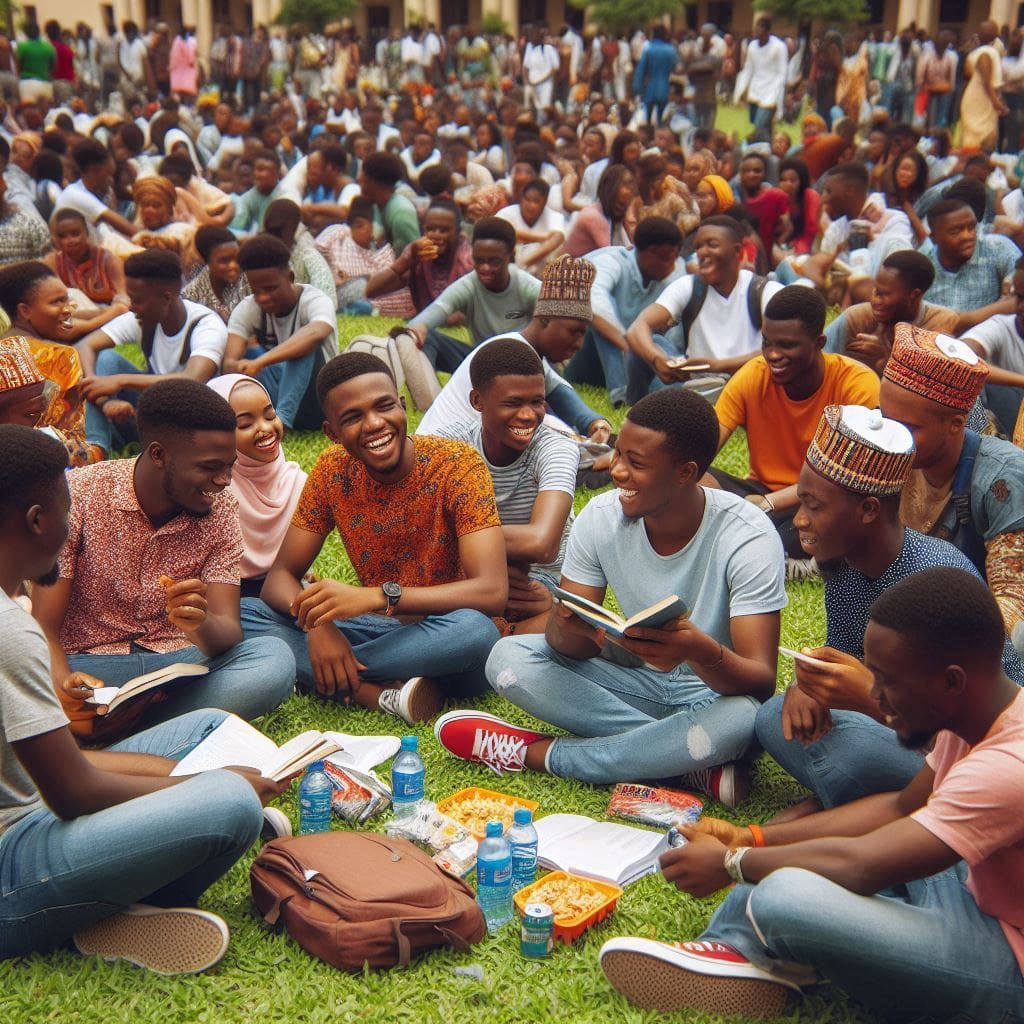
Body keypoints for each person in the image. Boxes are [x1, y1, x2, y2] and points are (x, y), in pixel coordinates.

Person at [602, 566, 1024, 1021]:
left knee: (780, 894)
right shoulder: (975, 719)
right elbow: (900, 806)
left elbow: (862, 865)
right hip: (971, 889)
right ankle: (745, 951)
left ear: (952, 680)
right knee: (777, 877)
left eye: (888, 680)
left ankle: (756, 946)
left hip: (1008, 965)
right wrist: (751, 839)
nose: (876, 696)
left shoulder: (1006, 766)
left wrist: (731, 863)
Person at [0, 424, 294, 973]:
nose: (69, 527)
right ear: (39, 521)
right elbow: (71, 791)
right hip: (12, 854)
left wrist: (166, 774)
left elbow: (53, 768)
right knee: (229, 802)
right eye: (64, 514)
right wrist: (207, 784)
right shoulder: (12, 632)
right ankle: (93, 912)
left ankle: (119, 888)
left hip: (44, 779)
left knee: (206, 724)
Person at [434, 388, 786, 807]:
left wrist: (698, 649)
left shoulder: (747, 535)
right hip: (633, 679)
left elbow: (761, 682)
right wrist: (564, 627)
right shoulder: (601, 517)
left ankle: (539, 754)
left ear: (685, 472)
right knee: (507, 659)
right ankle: (687, 761)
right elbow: (571, 647)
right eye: (618, 454)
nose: (616, 471)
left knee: (746, 720)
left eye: (635, 464)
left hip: (712, 695)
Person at [753, 403, 1024, 815]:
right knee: (774, 717)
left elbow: (975, 730)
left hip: (976, 755)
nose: (800, 522)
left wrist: (867, 699)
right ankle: (866, 802)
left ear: (868, 511)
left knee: (854, 751)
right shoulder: (844, 568)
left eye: (814, 506)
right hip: (894, 732)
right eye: (800, 504)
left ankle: (857, 807)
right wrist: (809, 687)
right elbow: (843, 655)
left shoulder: (936, 580)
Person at [240, 351, 505, 725]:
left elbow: (492, 592)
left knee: (477, 631)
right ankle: (380, 688)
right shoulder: (332, 470)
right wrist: (317, 626)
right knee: (247, 613)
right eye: (352, 418)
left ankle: (337, 676)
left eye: (384, 407)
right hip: (385, 631)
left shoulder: (457, 464)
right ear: (332, 432)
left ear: (402, 407)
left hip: (450, 637)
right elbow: (279, 578)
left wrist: (377, 596)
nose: (375, 424)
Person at [30, 380, 295, 743]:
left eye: (230, 465)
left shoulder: (222, 510)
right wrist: (63, 688)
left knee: (273, 660)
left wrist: (199, 623)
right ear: (159, 455)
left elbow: (228, 634)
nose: (224, 481)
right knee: (14, 673)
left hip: (178, 665)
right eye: (209, 467)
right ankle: (157, 728)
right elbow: (44, 627)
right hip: (90, 666)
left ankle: (120, 730)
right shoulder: (81, 495)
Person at [708, 287, 879, 565]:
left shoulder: (856, 384)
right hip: (759, 491)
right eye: (766, 343)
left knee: (821, 530)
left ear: (819, 342)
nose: (772, 355)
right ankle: (761, 545)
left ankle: (766, 549)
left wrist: (768, 504)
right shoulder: (754, 374)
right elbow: (706, 445)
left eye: (787, 345)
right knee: (694, 479)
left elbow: (841, 478)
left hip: (820, 500)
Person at [881, 323, 1024, 639]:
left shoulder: (1002, 478)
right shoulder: (886, 448)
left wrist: (928, 650)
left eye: (908, 426)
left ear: (956, 423)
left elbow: (1013, 602)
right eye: (884, 418)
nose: (893, 434)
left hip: (976, 637)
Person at [432, 338, 578, 634]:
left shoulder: (556, 448)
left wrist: (459, 538)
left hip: (535, 583)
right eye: (513, 402)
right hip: (470, 575)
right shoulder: (449, 446)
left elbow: (542, 544)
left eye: (537, 401)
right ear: (477, 401)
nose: (528, 415)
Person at [416, 254, 612, 447]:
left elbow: (560, 393)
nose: (579, 343)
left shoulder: (523, 351)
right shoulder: (507, 354)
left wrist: (595, 423)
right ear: (545, 320)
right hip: (444, 457)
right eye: (574, 332)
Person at [77, 250, 226, 459]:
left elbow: (193, 379)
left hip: (190, 425)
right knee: (108, 357)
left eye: (137, 300)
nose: (131, 306)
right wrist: (104, 398)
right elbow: (86, 345)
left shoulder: (206, 325)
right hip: (150, 414)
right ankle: (96, 448)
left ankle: (112, 438)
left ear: (166, 297)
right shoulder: (142, 317)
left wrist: (119, 381)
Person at [626, 216, 783, 403]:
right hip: (695, 382)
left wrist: (719, 366)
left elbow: (780, 350)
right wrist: (658, 359)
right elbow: (637, 327)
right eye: (698, 246)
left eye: (712, 244)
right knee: (650, 342)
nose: (702, 252)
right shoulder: (688, 286)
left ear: (738, 252)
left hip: (747, 380)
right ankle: (637, 407)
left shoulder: (764, 291)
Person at [564, 217, 685, 407]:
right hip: (586, 359)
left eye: (675, 258)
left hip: (636, 365)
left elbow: (673, 334)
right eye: (665, 258)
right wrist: (635, 345)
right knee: (601, 319)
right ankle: (619, 394)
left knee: (658, 340)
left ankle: (682, 390)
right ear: (646, 252)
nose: (671, 266)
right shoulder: (612, 261)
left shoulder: (675, 274)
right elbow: (594, 305)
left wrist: (657, 356)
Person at [224, 235, 338, 432]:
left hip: (320, 402)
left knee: (304, 347)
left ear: (290, 278)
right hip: (272, 399)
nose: (263, 297)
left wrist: (261, 361)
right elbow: (229, 362)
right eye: (256, 290)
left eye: (270, 288)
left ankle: (281, 422)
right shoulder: (248, 308)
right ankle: (253, 418)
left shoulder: (315, 300)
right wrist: (239, 366)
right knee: (247, 355)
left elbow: (316, 333)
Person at [402, 217, 540, 378]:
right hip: (482, 364)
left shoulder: (529, 287)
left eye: (494, 261)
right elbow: (428, 317)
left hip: (525, 365)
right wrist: (417, 330)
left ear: (510, 256)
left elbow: (554, 328)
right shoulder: (468, 285)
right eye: (479, 260)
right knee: (423, 338)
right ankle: (431, 398)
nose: (485, 268)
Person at [207, 374, 306, 599]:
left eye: (270, 416)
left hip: (288, 591)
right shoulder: (212, 492)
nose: (265, 428)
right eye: (245, 424)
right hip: (230, 601)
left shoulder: (296, 482)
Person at [824, 250, 959, 374]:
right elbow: (819, 357)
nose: (875, 301)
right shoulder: (858, 317)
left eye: (884, 294)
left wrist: (886, 358)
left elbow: (930, 387)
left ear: (914, 295)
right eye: (876, 291)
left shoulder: (939, 323)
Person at [923, 198, 1018, 317]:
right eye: (956, 231)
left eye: (972, 227)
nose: (967, 236)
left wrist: (969, 320)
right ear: (934, 238)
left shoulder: (996, 248)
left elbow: (1019, 298)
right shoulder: (922, 267)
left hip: (987, 332)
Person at [962, 256, 1024, 436]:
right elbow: (962, 359)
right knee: (969, 380)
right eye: (1018, 297)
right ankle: (984, 444)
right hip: (1012, 423)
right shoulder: (1003, 326)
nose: (1020, 307)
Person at [44, 209, 128, 331]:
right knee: (70, 295)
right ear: (55, 239)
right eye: (63, 236)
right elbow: (53, 303)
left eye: (75, 233)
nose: (70, 240)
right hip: (75, 314)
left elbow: (124, 300)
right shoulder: (52, 262)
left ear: (87, 233)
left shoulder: (108, 259)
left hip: (111, 314)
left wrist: (105, 314)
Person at [55, 139, 137, 243]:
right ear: (94, 172)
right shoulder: (75, 195)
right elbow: (131, 230)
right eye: (108, 175)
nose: (111, 180)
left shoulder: (105, 192)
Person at [733, 17, 789, 142]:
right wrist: (740, 90)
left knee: (759, 125)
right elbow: (748, 69)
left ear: (768, 31)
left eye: (760, 30)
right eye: (756, 30)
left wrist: (778, 93)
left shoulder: (779, 47)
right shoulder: (752, 46)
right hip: (755, 89)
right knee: (755, 121)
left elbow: (782, 73)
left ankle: (758, 147)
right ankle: (768, 144)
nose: (757, 33)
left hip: (771, 91)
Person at [562, 164, 636, 257]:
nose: (621, 209)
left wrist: (628, 223)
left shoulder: (614, 217)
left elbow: (638, 248)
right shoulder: (594, 216)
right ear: (608, 193)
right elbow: (611, 257)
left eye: (625, 205)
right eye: (619, 204)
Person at [182, 225, 251, 324]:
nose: (234, 265)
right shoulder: (190, 297)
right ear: (206, 262)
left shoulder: (249, 281)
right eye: (224, 261)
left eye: (237, 258)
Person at [497, 178, 565, 276]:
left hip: (540, 274)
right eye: (527, 199)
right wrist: (542, 238)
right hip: (507, 270)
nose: (531, 205)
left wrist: (524, 263)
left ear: (545, 202)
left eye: (536, 201)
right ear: (521, 198)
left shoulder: (554, 216)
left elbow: (558, 238)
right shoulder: (506, 213)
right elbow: (498, 232)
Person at [357, 151, 419, 255]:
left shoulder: (401, 214)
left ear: (373, 183)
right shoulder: (377, 205)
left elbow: (409, 261)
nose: (359, 186)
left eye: (362, 182)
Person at [961, 21, 1007, 151]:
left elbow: (968, 75)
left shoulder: (972, 54)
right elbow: (987, 82)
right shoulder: (989, 53)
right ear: (996, 35)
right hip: (982, 99)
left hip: (972, 96)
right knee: (983, 138)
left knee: (971, 137)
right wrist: (997, 102)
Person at [228, 149, 281, 235]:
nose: (262, 174)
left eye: (267, 170)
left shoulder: (285, 193)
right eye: (259, 169)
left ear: (277, 173)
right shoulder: (247, 199)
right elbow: (235, 229)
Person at [632, 25, 675, 126]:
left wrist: (637, 88)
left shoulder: (648, 49)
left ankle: (649, 133)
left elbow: (640, 71)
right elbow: (676, 67)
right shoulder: (670, 50)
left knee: (648, 116)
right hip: (664, 86)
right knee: (660, 117)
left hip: (650, 86)